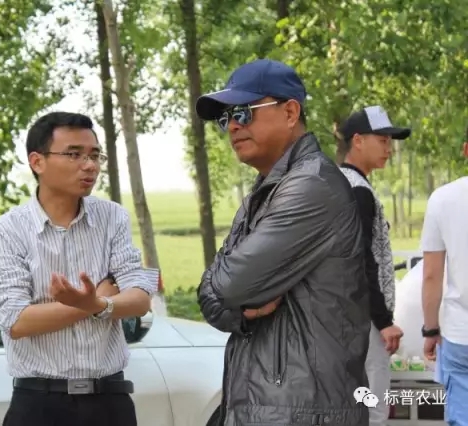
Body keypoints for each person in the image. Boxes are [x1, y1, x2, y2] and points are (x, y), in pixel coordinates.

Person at [195, 58, 370, 426]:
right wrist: (237, 308)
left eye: (243, 112)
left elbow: (229, 284)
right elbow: (212, 298)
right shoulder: (268, 190)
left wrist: (226, 294)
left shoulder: (311, 185)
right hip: (271, 404)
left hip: (304, 409)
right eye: (225, 118)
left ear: (290, 112)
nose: (232, 126)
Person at [0, 111, 157, 426]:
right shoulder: (8, 230)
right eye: (74, 155)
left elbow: (140, 298)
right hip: (39, 405)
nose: (89, 166)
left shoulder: (113, 218)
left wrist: (96, 303)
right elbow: (16, 320)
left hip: (110, 402)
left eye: (94, 155)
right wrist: (94, 304)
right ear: (37, 162)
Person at [337, 105, 409, 426]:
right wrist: (383, 320)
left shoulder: (340, 183)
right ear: (358, 141)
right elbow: (361, 259)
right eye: (382, 140)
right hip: (364, 320)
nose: (388, 149)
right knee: (374, 410)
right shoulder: (358, 191)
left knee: (352, 404)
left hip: (345, 318)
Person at [420, 135, 468, 425]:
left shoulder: (443, 199)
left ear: (466, 150)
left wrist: (430, 329)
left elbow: (431, 275)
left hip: (461, 335)